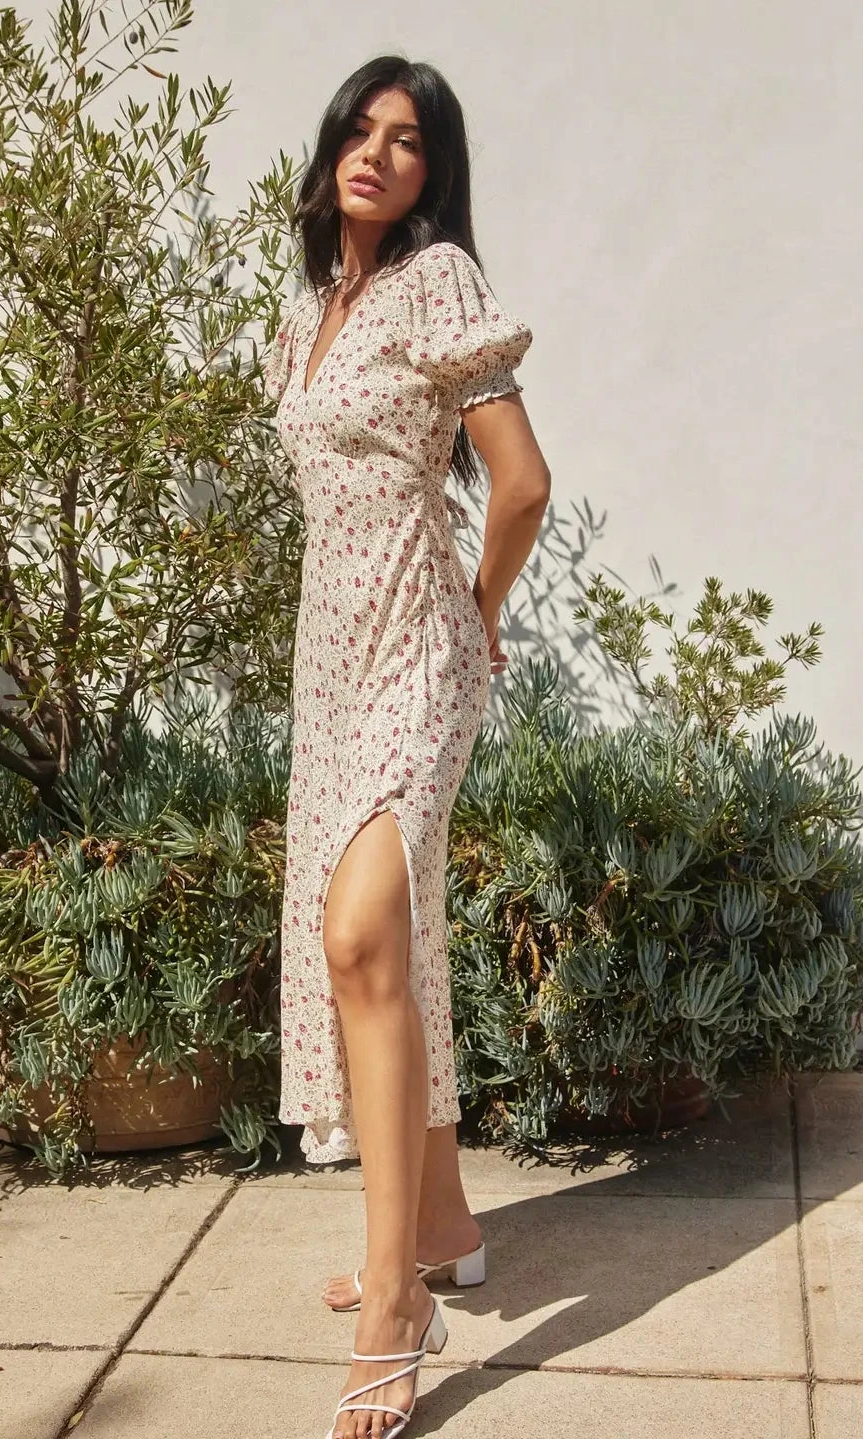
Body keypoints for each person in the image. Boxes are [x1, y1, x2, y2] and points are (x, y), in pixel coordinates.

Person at [261, 54, 552, 1440]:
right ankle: (440, 1234)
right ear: (330, 154)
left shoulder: (434, 282)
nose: (380, 156)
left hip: (421, 647)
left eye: (411, 142)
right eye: (361, 133)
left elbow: (523, 482)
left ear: (435, 175)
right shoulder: (316, 307)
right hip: (331, 658)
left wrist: (479, 617)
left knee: (363, 936)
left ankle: (395, 1303)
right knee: (396, 937)